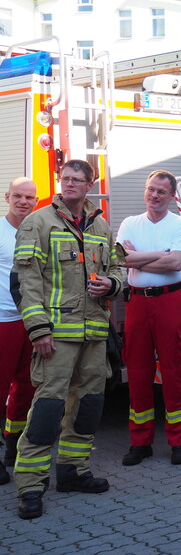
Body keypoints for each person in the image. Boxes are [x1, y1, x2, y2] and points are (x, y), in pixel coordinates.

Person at [11, 159, 124, 519]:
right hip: (56, 338)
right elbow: (25, 284)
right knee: (47, 410)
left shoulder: (101, 226)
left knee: (88, 406)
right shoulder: (39, 222)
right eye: (65, 179)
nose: (70, 184)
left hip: (94, 335)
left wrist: (112, 284)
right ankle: (30, 485)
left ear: (91, 184)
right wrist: (39, 330)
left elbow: (116, 270)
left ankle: (73, 471)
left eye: (78, 179)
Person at [116, 171, 181, 467]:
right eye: (151, 189)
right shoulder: (129, 223)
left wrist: (139, 256)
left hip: (170, 301)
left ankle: (179, 441)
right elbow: (120, 258)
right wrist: (158, 254)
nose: (155, 195)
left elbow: (176, 262)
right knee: (137, 371)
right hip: (137, 302)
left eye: (162, 191)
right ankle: (140, 442)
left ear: (172, 196)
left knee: (174, 370)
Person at [0, 178, 38, 482]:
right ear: (7, 197)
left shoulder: (38, 232)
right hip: (4, 320)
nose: (23, 201)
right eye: (18, 196)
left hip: (32, 320)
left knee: (27, 386)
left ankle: (14, 445)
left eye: (29, 197)